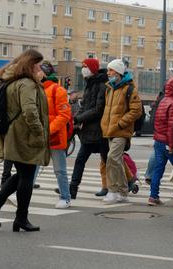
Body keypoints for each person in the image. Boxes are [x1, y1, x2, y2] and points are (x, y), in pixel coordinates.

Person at [0, 49, 50, 232]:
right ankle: (20, 217)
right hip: (24, 135)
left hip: (15, 134)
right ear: (30, 65)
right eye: (37, 64)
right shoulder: (27, 84)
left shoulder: (12, 81)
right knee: (27, 176)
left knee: (22, 174)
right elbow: (29, 110)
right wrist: (39, 132)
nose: (40, 67)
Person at [101, 59, 142, 204]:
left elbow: (136, 111)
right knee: (114, 160)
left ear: (118, 72)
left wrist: (120, 124)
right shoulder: (110, 88)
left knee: (112, 158)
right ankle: (123, 191)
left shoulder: (129, 88)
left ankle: (113, 190)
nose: (108, 73)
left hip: (121, 131)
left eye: (110, 70)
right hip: (109, 130)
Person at [69, 58, 109, 198]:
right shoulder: (89, 84)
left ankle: (121, 183)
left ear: (92, 68)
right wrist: (74, 119)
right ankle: (72, 189)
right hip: (89, 131)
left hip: (100, 130)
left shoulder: (102, 85)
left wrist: (79, 118)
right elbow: (84, 106)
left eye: (85, 66)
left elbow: (98, 109)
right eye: (82, 66)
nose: (83, 69)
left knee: (108, 160)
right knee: (81, 160)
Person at [39, 61, 72, 208]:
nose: (34, 73)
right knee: (32, 167)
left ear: (44, 73)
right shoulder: (35, 89)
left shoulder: (58, 90)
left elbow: (64, 115)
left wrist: (48, 130)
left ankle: (65, 197)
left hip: (55, 137)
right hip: (39, 136)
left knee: (59, 169)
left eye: (38, 71)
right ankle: (23, 194)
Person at [148, 78, 173, 206]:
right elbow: (172, 126)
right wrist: (171, 144)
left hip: (158, 140)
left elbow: (158, 122)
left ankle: (153, 196)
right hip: (168, 142)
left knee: (158, 169)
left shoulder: (163, 101)